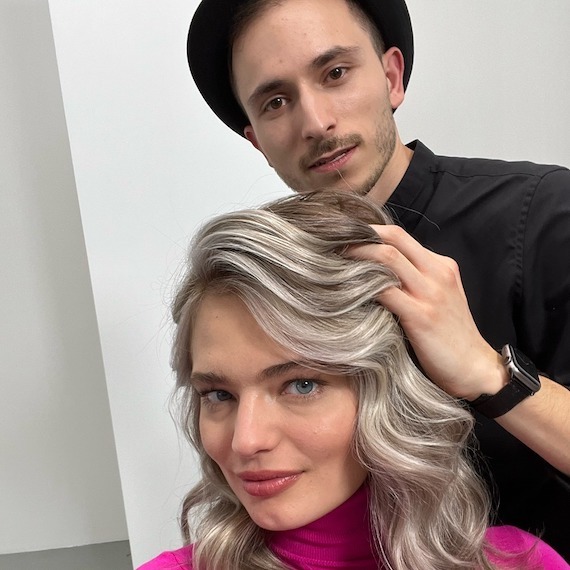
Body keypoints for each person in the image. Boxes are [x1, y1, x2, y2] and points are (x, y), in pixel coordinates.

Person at [185, 0, 570, 557]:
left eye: (335, 74)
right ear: (256, 139)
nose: (316, 123)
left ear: (392, 76)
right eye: (275, 102)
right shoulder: (270, 269)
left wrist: (489, 372)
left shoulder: (543, 216)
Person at [139, 191, 568, 569]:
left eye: (301, 384)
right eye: (218, 394)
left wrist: (484, 369)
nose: (245, 441)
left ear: (389, 393)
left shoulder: (522, 563)